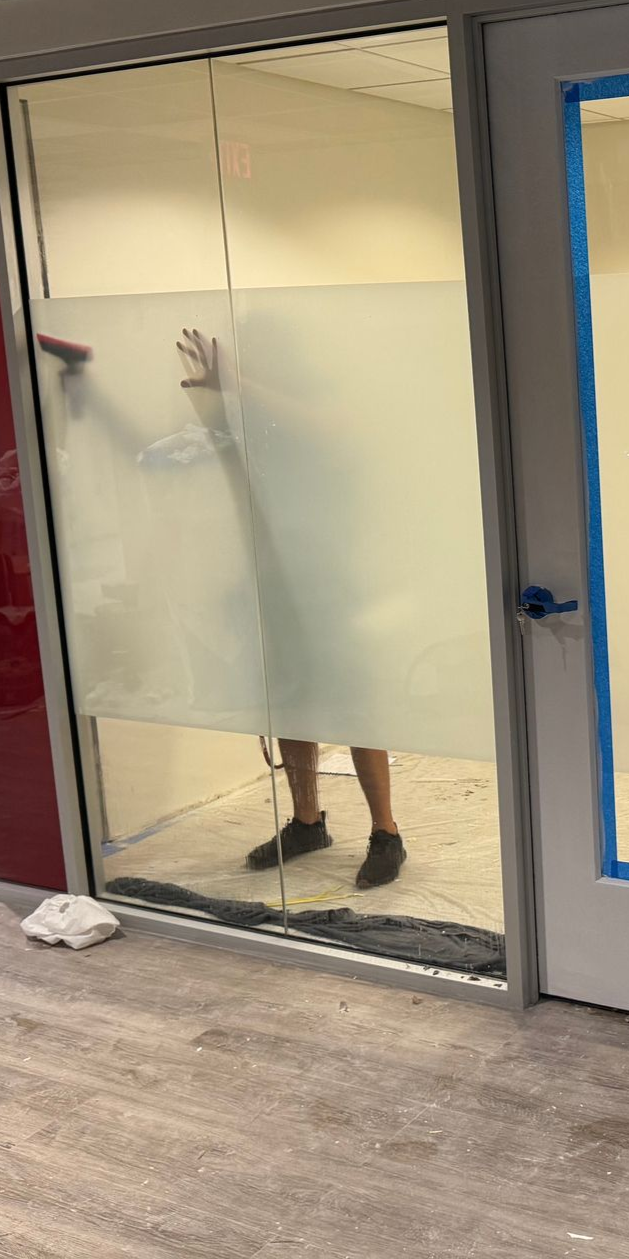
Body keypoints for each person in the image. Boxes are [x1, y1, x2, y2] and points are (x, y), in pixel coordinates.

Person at [177, 327, 406, 889]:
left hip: (331, 582)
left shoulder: (319, 413)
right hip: (277, 580)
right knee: (292, 702)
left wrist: (239, 384)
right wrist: (208, 402)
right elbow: (233, 470)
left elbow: (336, 431)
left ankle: (387, 834)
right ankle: (308, 823)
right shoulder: (267, 428)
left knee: (354, 705)